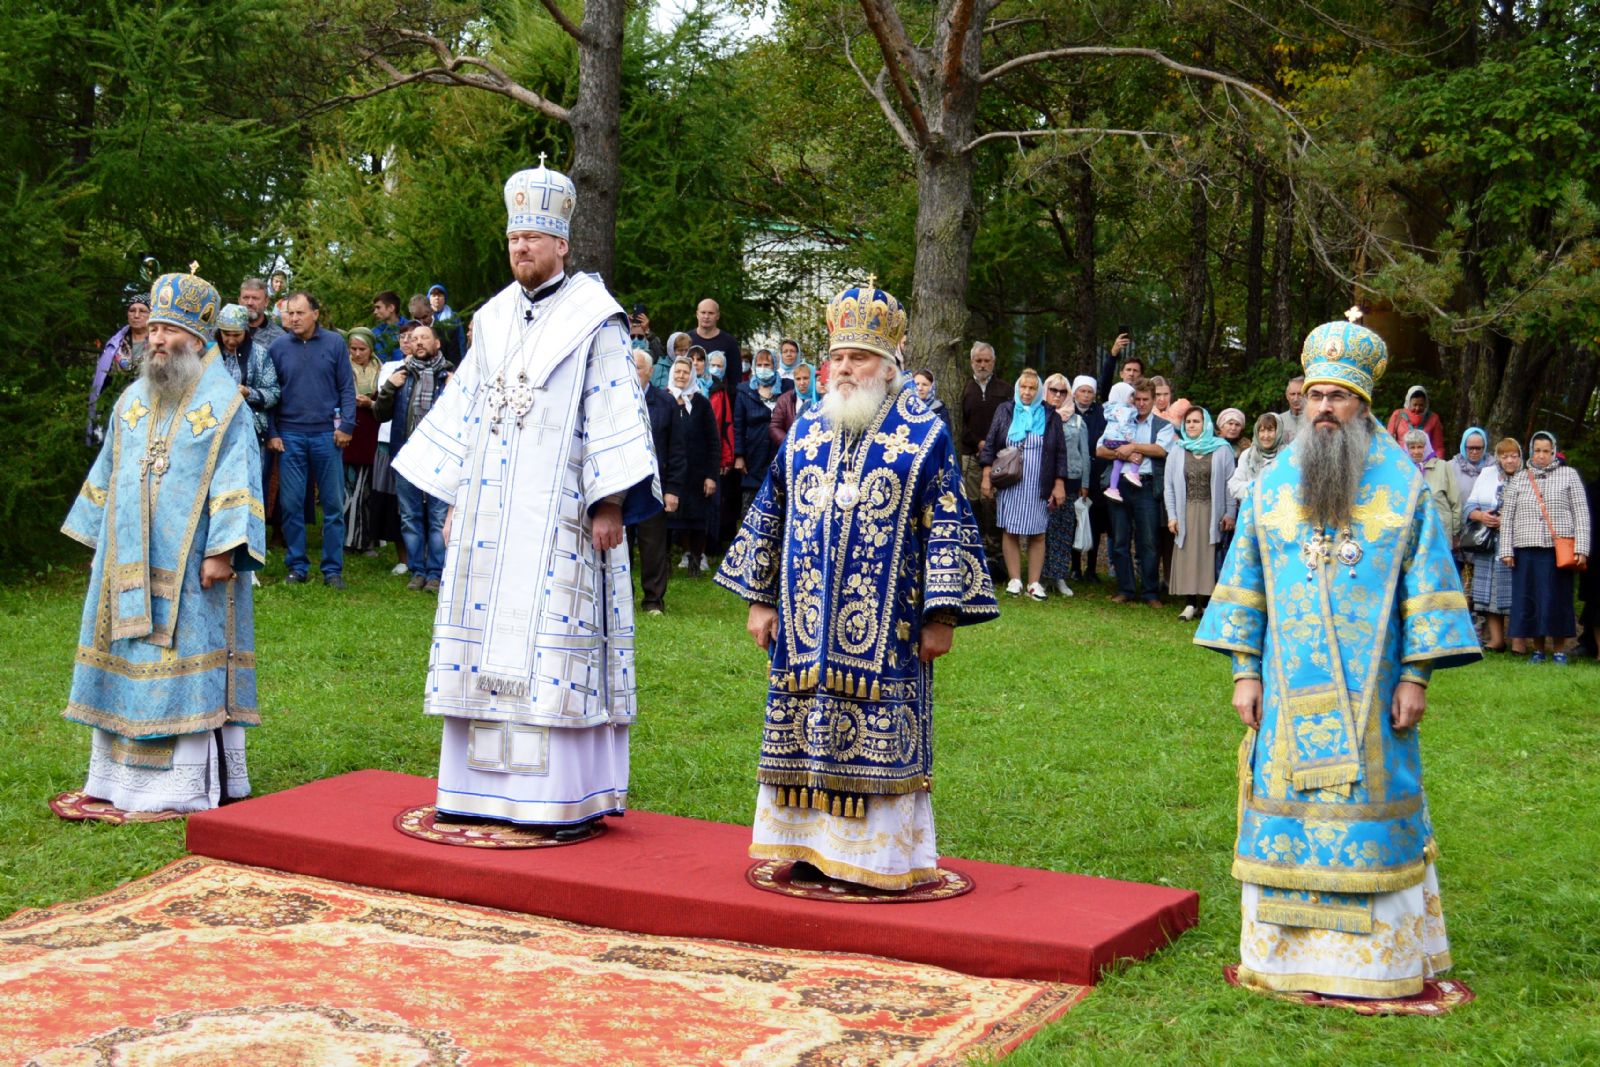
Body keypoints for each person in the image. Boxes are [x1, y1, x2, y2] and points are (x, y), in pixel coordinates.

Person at [1195, 310, 1481, 1000]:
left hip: (1376, 697)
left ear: (1363, 404)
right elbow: (1247, 586)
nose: (1325, 408)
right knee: (1286, 811)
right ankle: (1287, 959)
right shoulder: (1270, 488)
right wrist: (1243, 670)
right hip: (1288, 696)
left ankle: (1375, 965)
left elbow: (1428, 590)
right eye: (1316, 394)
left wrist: (1417, 676)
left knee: (1371, 811)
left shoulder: (1404, 488)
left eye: (1339, 397)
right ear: (1303, 400)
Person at [391, 159, 659, 832]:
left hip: (563, 515)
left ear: (562, 244)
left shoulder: (597, 320)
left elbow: (614, 408)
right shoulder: (492, 318)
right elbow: (469, 410)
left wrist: (610, 502)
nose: (521, 250)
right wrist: (457, 495)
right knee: (485, 642)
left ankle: (563, 793)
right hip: (490, 517)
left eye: (533, 240)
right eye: (514, 239)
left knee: (554, 643)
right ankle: (475, 789)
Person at [715, 282, 997, 890]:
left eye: (859, 358)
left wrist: (941, 617)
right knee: (801, 726)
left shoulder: (924, 436)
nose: (845, 368)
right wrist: (761, 597)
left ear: (888, 366)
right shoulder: (808, 430)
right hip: (801, 624)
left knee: (877, 733)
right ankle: (806, 848)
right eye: (838, 357)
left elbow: (948, 524)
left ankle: (874, 858)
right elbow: (773, 510)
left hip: (889, 632)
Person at [60, 267, 264, 813]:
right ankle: (115, 781)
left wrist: (225, 550)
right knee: (126, 654)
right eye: (151, 329)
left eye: (169, 331)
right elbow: (109, 471)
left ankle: (182, 785)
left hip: (193, 565)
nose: (156, 339)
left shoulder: (225, 406)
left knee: (185, 656)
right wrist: (101, 545)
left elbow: (238, 478)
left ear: (197, 340)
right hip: (126, 559)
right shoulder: (131, 400)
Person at [265, 291, 355, 588]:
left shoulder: (334, 344)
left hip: (327, 435)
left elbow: (346, 387)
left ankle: (332, 569)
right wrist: (274, 433)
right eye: (290, 313)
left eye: (300, 313)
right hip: (290, 435)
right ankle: (297, 566)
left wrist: (347, 426)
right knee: (291, 505)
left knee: (332, 504)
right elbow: (272, 394)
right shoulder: (278, 347)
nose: (294, 318)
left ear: (315, 313)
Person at [1499, 431, 1591, 664]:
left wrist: (1582, 547)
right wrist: (1506, 550)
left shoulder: (1568, 475)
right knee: (1531, 599)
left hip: (1557, 550)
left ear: (1553, 452)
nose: (1541, 455)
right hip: (1526, 549)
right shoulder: (1520, 478)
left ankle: (1559, 650)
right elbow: (1507, 517)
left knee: (1557, 599)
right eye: (1537, 450)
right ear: (1531, 452)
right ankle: (1538, 650)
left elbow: (1581, 513)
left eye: (1546, 451)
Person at [981, 368, 1067, 600]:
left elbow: (1060, 452)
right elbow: (990, 444)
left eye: (1032, 388)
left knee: (1038, 532)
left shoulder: (1051, 416)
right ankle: (1015, 580)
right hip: (1011, 481)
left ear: (1039, 390)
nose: (1027, 392)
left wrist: (1059, 484)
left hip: (1039, 482)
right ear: (1018, 388)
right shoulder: (1006, 410)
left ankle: (1034, 583)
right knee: (1010, 530)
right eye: (1023, 387)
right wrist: (986, 475)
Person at [377, 322, 451, 592]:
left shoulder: (450, 377)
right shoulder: (401, 375)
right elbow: (380, 414)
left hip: (440, 459)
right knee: (409, 516)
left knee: (438, 517)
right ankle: (417, 570)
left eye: (424, 338)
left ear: (436, 344)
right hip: (407, 456)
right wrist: (388, 387)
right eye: (414, 338)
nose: (418, 342)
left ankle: (435, 573)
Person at [1097, 377, 1175, 606]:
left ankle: (1150, 592)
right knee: (1120, 539)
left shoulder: (1162, 425)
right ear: (1132, 399)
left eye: (1145, 400)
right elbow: (1101, 450)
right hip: (1119, 485)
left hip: (1147, 485)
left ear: (1153, 400)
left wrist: (1134, 447)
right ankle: (1126, 589)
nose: (1141, 404)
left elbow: (1161, 450)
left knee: (1148, 541)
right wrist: (1124, 453)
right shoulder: (1120, 418)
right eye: (1137, 399)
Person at [1163, 407, 1237, 620]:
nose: (1192, 425)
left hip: (1212, 512)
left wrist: (1230, 513)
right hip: (1185, 511)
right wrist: (1172, 516)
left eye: (1196, 421)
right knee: (1186, 554)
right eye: (1188, 422)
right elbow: (1168, 485)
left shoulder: (1222, 449)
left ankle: (1205, 603)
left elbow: (1229, 484)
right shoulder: (1177, 449)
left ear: (1206, 424)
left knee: (1208, 557)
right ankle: (1189, 604)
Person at [664, 355, 720, 580]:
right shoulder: (663, 400)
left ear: (692, 375)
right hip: (670, 471)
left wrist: (711, 475)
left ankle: (695, 565)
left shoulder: (701, 403)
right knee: (667, 521)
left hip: (697, 472)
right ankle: (665, 564)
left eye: (685, 372)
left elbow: (713, 441)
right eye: (677, 372)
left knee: (697, 520)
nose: (681, 376)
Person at [1463, 438, 1522, 652]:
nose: (1509, 460)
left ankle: (1518, 641)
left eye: (1513, 455)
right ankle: (1497, 640)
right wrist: (1481, 515)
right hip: (1488, 542)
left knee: (1516, 590)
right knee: (1489, 591)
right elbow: (1469, 505)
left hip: (1517, 543)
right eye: (1504, 456)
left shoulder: (1527, 477)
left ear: (1520, 457)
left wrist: (1510, 517)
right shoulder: (1487, 474)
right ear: (1498, 457)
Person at [631, 349, 675, 615]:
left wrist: (672, 489)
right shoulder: (616, 399)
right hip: (622, 483)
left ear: (649, 370)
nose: (633, 372)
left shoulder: (665, 402)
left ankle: (653, 600)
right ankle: (621, 597)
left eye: (637, 367)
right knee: (619, 544)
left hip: (653, 483)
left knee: (653, 544)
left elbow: (677, 448)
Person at [959, 342, 1010, 564]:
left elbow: (1010, 422)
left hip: (999, 457)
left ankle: (995, 553)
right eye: (978, 360)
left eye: (986, 360)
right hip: (971, 455)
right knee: (973, 503)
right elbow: (959, 423)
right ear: (972, 362)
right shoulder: (963, 388)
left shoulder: (1006, 390)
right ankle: (975, 552)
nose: (982, 364)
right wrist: (978, 443)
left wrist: (991, 445)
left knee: (992, 502)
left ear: (993, 362)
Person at [1040, 373, 1089, 598]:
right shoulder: (1037, 416)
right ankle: (1038, 576)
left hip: (1069, 481)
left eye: (1062, 391)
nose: (1058, 395)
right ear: (1046, 391)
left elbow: (1085, 455)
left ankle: (1059, 575)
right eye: (1053, 390)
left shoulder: (1077, 420)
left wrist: (1085, 484)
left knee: (1062, 530)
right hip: (1041, 480)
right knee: (1041, 529)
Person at [86, 294, 152, 448]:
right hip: (114, 407)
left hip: (145, 409)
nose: (136, 315)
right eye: (132, 310)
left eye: (142, 311)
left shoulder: (158, 344)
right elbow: (102, 383)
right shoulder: (114, 345)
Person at [733, 347, 789, 517]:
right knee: (751, 505)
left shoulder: (787, 388)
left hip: (779, 451)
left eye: (767, 364)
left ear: (775, 365)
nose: (763, 368)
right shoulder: (744, 390)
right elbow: (738, 424)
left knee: (778, 500)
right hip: (753, 453)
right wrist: (739, 455)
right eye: (760, 364)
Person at [342, 326, 383, 555]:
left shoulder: (382, 370)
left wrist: (371, 404)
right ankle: (347, 539)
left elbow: (386, 402)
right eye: (353, 349)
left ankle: (366, 539)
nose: (357, 354)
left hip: (372, 432)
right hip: (350, 432)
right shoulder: (343, 369)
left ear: (370, 349)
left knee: (367, 489)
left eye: (362, 349)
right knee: (348, 487)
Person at [1068, 375, 1108, 583]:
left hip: (1097, 474)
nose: (1085, 395)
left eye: (1089, 391)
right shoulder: (1068, 411)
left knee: (1095, 521)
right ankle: (1075, 566)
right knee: (1075, 520)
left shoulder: (1101, 413)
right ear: (1074, 393)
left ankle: (1091, 568)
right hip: (1075, 474)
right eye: (1082, 391)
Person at [1406, 429, 1463, 548]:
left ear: (1426, 447)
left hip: (1439, 531)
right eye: (1412, 447)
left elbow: (1455, 502)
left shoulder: (1443, 466)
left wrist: (1455, 532)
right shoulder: (1403, 470)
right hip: (1411, 533)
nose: (1416, 451)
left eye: (1420, 447)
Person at [1098, 381, 1142, 503]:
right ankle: (1133, 473)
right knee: (1138, 453)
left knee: (1117, 464)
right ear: (1122, 396)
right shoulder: (1124, 409)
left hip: (1109, 441)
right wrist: (1131, 439)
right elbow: (1124, 425)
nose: (1133, 399)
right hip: (1120, 439)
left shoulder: (1111, 408)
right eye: (1130, 396)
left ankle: (1112, 488)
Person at [1228, 412, 1281, 503]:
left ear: (1279, 431)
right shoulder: (1248, 455)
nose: (1266, 435)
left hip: (1280, 512)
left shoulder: (1287, 455)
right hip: (1253, 512)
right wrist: (1258, 487)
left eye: (1270, 430)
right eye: (1262, 430)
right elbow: (1234, 486)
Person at [1386, 385, 1445, 459]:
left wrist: (1439, 465)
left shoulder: (1433, 418)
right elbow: (1388, 440)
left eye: (1421, 405)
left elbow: (1438, 447)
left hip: (1425, 463)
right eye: (1415, 405)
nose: (1417, 408)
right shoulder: (1398, 415)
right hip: (1400, 461)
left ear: (1426, 404)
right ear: (1408, 403)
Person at [770, 361, 818, 444]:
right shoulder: (785, 400)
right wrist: (789, 444)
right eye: (798, 379)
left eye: (806, 378)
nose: (801, 383)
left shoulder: (820, 398)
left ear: (813, 378)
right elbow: (775, 426)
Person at [239, 277, 285, 350]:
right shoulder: (224, 330)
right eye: (245, 298)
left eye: (255, 298)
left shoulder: (279, 338)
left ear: (266, 301)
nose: (249, 303)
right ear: (239, 300)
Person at [371, 291, 406, 365]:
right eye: (375, 308)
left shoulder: (412, 328)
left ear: (391, 308)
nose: (375, 312)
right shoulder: (374, 333)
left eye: (378, 307)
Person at [1276, 375, 1305, 442]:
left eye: (1300, 394)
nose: (1296, 399)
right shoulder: (1279, 421)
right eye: (1292, 394)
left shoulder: (1314, 421)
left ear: (1307, 395)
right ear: (1287, 396)